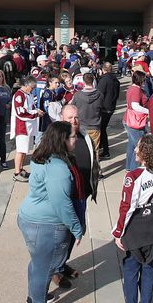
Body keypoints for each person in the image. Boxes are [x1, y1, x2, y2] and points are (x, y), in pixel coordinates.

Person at [16, 121, 84, 303]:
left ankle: (35, 296)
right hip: (46, 226)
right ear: (61, 140)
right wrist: (77, 228)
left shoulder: (41, 156)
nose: (75, 139)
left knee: (38, 264)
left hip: (30, 218)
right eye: (72, 136)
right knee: (44, 269)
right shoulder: (58, 168)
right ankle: (37, 299)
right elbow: (61, 203)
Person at [112, 134, 153, 303]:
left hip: (136, 226)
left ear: (145, 152)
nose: (134, 149)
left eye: (138, 147)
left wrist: (118, 232)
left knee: (131, 268)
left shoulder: (133, 176)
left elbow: (126, 207)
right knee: (148, 267)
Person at [55, 104, 99, 291]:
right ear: (61, 119)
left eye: (76, 117)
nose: (73, 121)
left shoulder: (85, 135)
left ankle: (62, 263)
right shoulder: (56, 140)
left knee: (77, 231)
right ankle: (56, 270)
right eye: (69, 118)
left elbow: (92, 159)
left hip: (82, 194)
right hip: (66, 197)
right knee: (63, 236)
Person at [11, 76, 41, 182]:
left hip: (28, 127)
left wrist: (36, 111)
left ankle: (20, 168)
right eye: (32, 87)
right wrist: (35, 114)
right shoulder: (19, 95)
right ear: (27, 85)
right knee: (20, 150)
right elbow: (20, 112)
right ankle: (16, 172)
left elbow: (31, 107)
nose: (33, 89)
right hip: (22, 126)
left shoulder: (28, 94)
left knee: (25, 151)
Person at [124, 69, 150, 171]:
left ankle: (129, 168)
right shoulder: (136, 90)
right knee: (139, 148)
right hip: (135, 122)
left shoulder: (131, 88)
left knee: (131, 145)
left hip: (129, 120)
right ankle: (134, 170)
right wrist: (148, 111)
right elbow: (135, 106)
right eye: (144, 80)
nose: (145, 82)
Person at [97, 62, 119, 158]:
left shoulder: (104, 80)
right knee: (103, 128)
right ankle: (102, 145)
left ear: (103, 70)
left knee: (101, 129)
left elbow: (99, 94)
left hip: (104, 107)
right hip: (111, 106)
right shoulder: (115, 80)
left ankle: (105, 150)